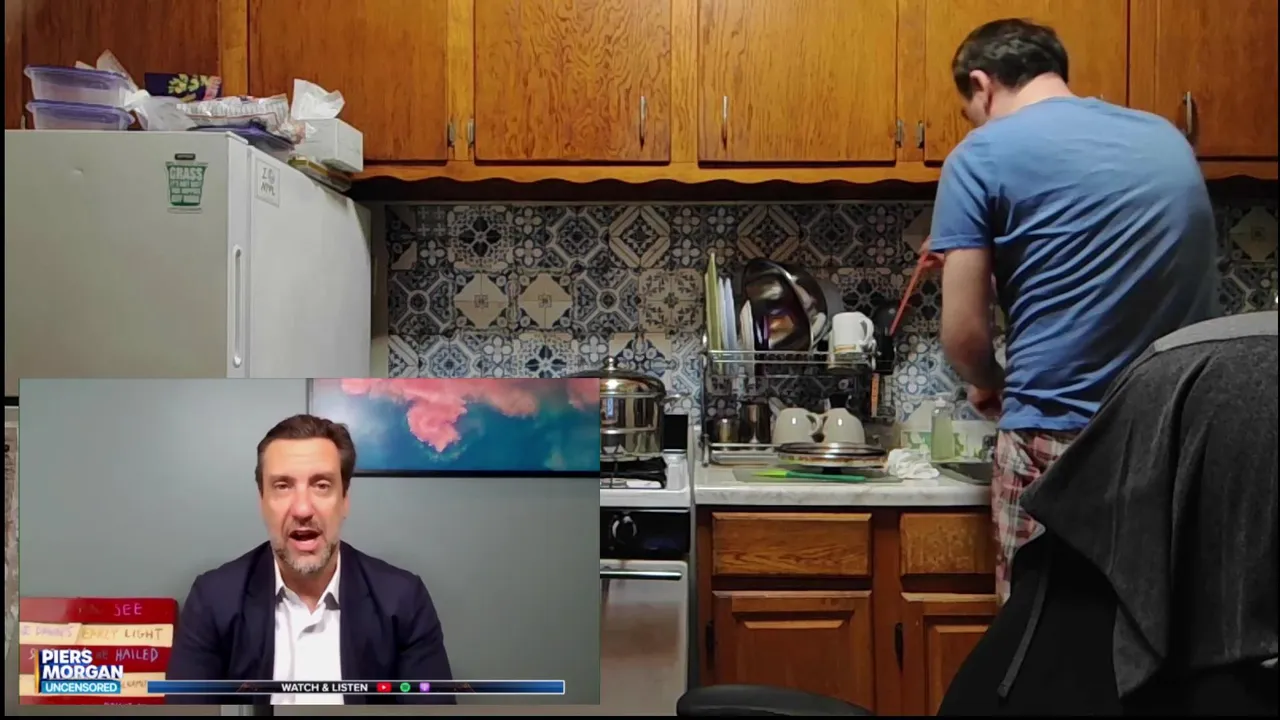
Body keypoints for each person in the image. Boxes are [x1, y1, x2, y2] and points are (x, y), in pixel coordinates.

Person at [927, 18, 1219, 602]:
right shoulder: (1166, 137)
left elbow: (963, 337)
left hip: (1056, 437)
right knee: (1156, 631)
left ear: (982, 85)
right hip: (1179, 438)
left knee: (1039, 636)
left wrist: (991, 381)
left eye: (970, 112)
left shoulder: (980, 155)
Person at [166, 414, 454, 706]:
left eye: (321, 485)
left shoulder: (404, 600)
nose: (303, 509)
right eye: (282, 486)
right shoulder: (212, 600)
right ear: (262, 501)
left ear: (345, 500)